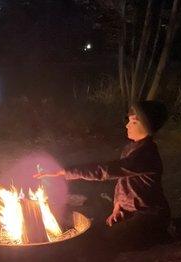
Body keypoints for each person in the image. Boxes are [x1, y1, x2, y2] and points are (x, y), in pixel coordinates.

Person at [35, 100, 171, 250]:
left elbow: (105, 171)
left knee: (106, 240)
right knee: (96, 229)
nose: (127, 125)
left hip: (149, 214)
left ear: (146, 126)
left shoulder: (146, 154)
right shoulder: (131, 148)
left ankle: (159, 233)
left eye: (133, 122)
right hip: (130, 212)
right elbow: (122, 182)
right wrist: (117, 208)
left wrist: (64, 172)